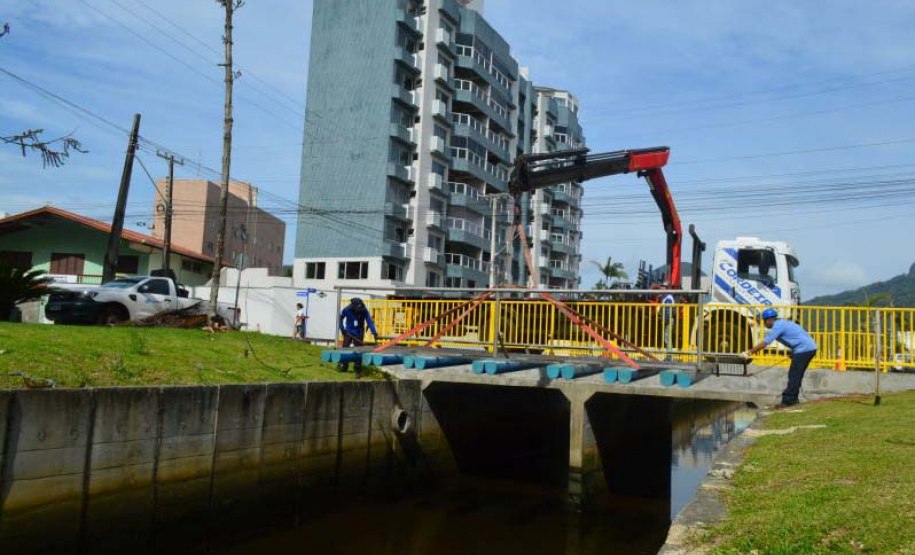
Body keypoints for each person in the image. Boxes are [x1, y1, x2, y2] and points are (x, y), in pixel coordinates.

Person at [742, 308, 817, 407]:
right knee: (795, 374)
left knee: (794, 375)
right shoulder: (782, 324)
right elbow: (797, 337)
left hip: (804, 350)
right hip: (806, 349)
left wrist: (749, 352)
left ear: (769, 320)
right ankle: (792, 399)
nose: (764, 323)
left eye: (764, 321)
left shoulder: (778, 326)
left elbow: (765, 343)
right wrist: (794, 351)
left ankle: (788, 401)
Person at [338, 297, 377, 377]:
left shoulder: (364, 310)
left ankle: (357, 368)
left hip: (359, 331)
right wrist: (342, 328)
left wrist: (374, 332)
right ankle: (343, 366)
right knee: (345, 348)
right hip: (348, 331)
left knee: (359, 350)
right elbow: (340, 318)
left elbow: (369, 320)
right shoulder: (347, 309)